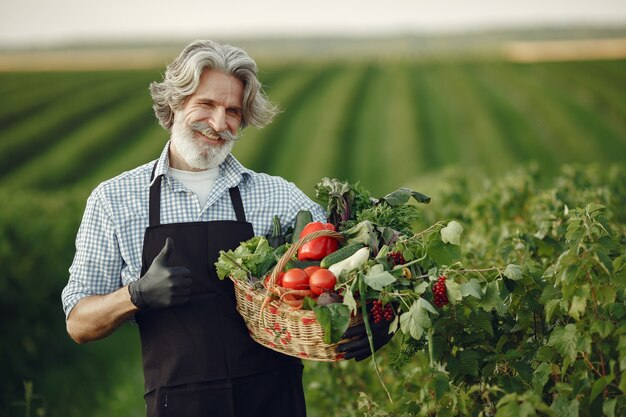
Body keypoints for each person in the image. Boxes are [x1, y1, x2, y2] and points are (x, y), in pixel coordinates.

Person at [61, 40, 393, 417]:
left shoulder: (278, 197)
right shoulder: (116, 200)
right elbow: (78, 323)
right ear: (175, 103)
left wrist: (376, 317)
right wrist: (134, 294)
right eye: (206, 104)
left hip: (274, 404)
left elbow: (347, 266)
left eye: (232, 111)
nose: (219, 124)